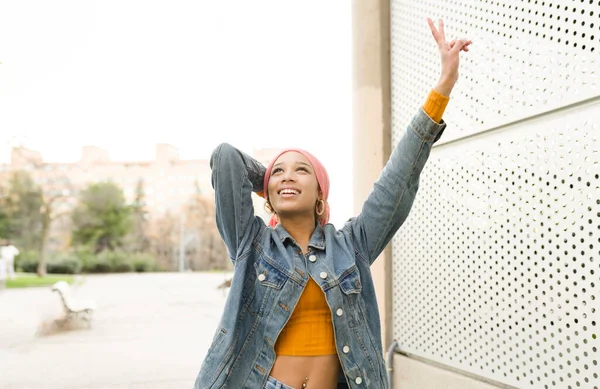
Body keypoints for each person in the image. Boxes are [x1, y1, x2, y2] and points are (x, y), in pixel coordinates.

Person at [194, 18, 471, 389]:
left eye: (301, 170)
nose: (287, 176)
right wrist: (273, 186)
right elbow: (226, 158)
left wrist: (443, 87)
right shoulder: (252, 244)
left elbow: (399, 178)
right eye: (279, 172)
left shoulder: (351, 245)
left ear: (321, 192)